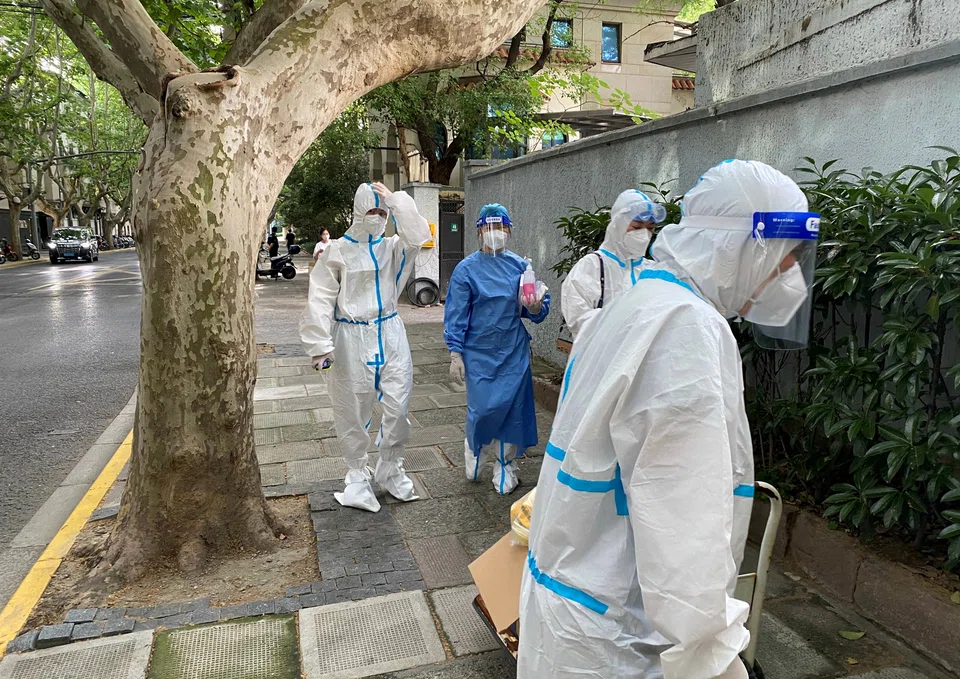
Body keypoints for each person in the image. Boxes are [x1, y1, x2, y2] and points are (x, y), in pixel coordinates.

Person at [518, 160, 820, 679]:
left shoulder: (642, 301)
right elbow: (685, 542)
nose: (789, 272)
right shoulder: (685, 329)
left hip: (580, 616)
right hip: (619, 641)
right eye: (784, 254)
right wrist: (716, 660)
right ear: (740, 246)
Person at [300, 182, 431, 513]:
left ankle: (390, 467)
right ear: (359, 211)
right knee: (352, 409)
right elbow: (320, 296)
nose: (378, 217)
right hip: (350, 337)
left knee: (398, 405)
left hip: (390, 332)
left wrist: (397, 201)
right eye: (372, 211)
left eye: (382, 213)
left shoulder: (393, 248)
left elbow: (418, 235)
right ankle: (357, 475)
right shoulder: (337, 250)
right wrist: (319, 345)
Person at [444, 203, 550, 496]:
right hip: (478, 351)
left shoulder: (520, 267)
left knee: (513, 410)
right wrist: (455, 352)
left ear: (510, 231)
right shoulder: (466, 270)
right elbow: (456, 313)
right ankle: (475, 446)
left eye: (501, 227)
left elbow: (533, 308)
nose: (496, 233)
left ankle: (505, 464)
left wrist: (536, 306)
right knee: (483, 409)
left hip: (512, 349)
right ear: (479, 231)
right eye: (490, 227)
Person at [560, 190, 666, 339]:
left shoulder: (652, 269)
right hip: (601, 352)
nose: (644, 234)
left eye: (650, 228)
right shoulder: (593, 266)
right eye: (636, 227)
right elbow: (577, 317)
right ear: (617, 224)